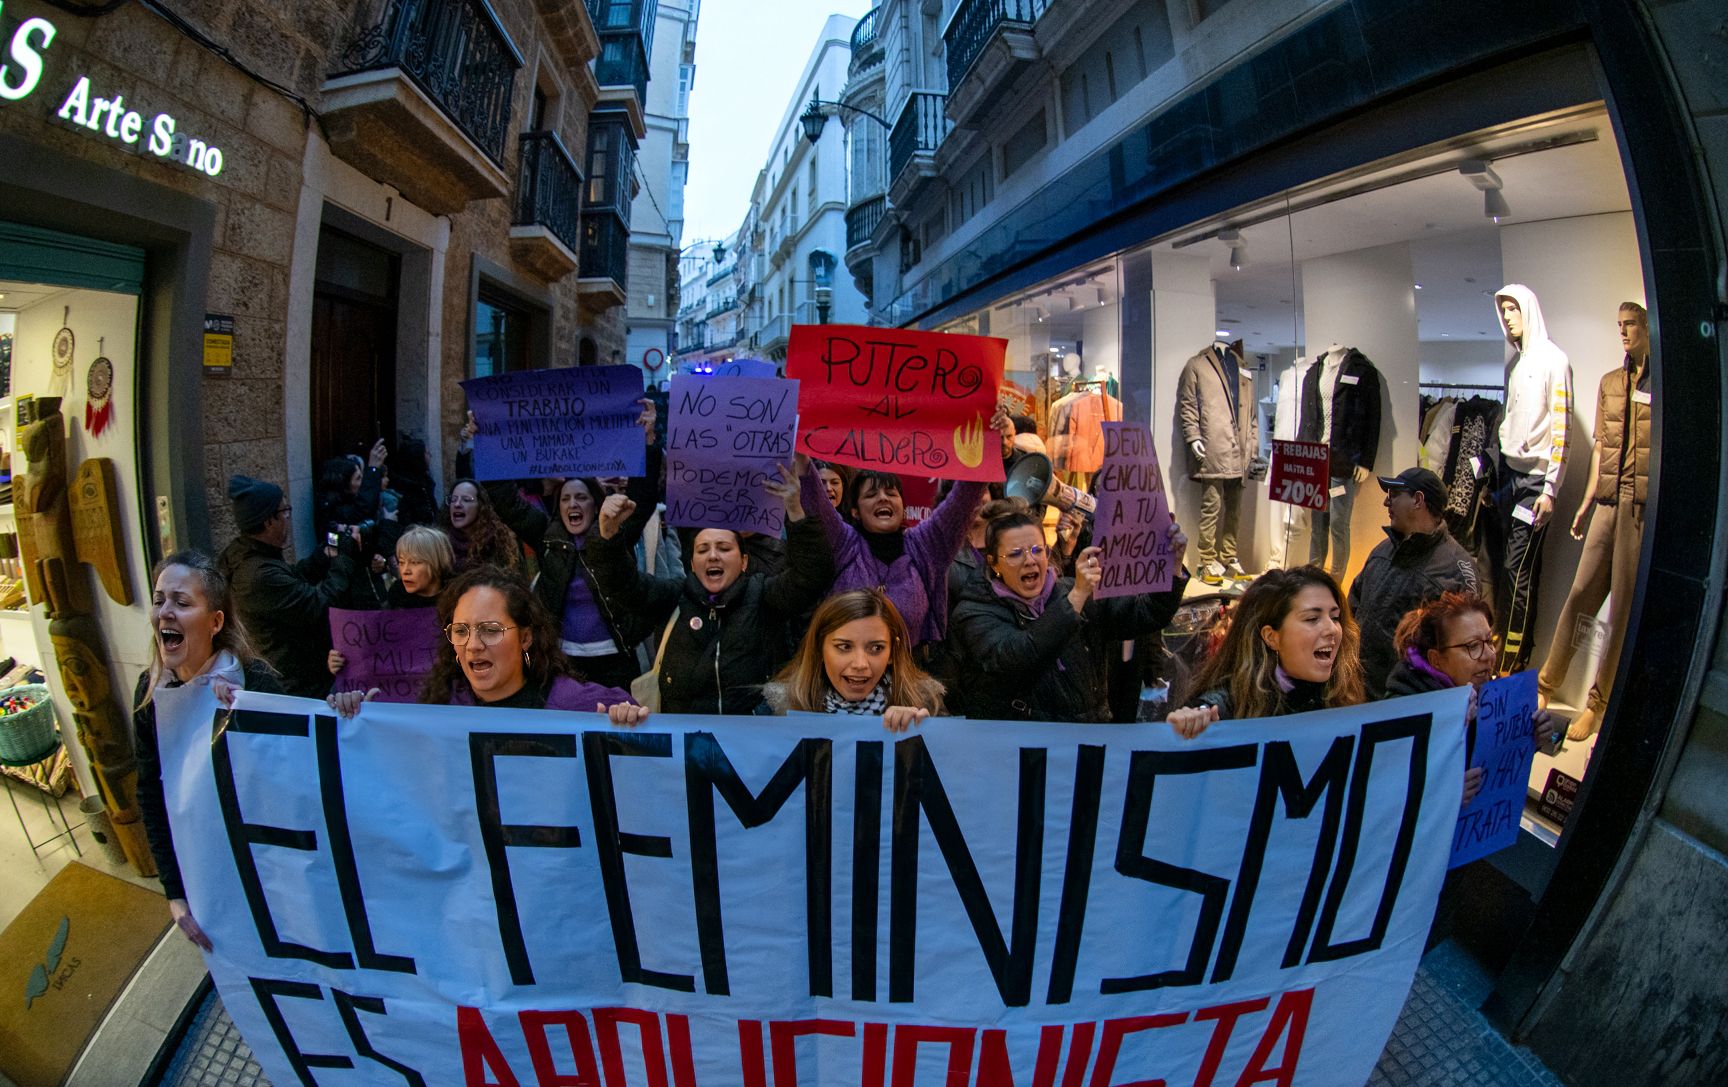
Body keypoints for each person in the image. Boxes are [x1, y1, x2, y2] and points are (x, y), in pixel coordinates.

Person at [586, 463, 833, 714]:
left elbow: (810, 575)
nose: (713, 556)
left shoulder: (763, 597)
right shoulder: (674, 598)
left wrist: (794, 508)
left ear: (744, 561)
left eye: (724, 548)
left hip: (750, 743)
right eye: (703, 550)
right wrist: (607, 535)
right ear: (693, 564)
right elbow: (623, 585)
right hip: (687, 744)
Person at [133, 551, 282, 951]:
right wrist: (175, 893)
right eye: (159, 598)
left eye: (181, 602)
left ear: (215, 621)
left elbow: (290, 779)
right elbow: (152, 794)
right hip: (207, 875)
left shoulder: (255, 682)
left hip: (265, 870)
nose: (165, 611)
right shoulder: (150, 695)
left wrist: (246, 716)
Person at [797, 408, 1011, 650]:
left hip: (910, 676)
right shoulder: (844, 543)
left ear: (902, 505)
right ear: (855, 511)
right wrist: (802, 452)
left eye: (891, 493)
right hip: (849, 676)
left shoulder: (927, 545)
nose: (883, 499)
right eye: (871, 494)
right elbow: (815, 501)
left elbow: (963, 499)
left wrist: (990, 440)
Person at [951, 510, 1189, 723]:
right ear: (993, 564)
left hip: (1084, 740)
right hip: (1021, 750)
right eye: (1015, 554)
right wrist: (1075, 599)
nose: (1030, 560)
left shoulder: (1072, 592)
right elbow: (1016, 656)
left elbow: (1146, 615)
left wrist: (1171, 569)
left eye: (1037, 550)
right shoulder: (975, 611)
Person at [486, 403, 661, 689]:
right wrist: (485, 444)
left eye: (581, 497)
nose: (573, 504)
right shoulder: (547, 537)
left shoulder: (614, 534)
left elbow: (642, 500)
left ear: (596, 503)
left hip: (615, 659)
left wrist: (648, 439)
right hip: (563, 658)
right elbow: (508, 504)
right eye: (566, 499)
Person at [1538, 301, 1650, 741]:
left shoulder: (1663, 387)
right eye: (1618, 325)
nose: (1623, 332)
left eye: (1630, 324)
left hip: (1639, 509)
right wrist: (1585, 503)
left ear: (1646, 327)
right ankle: (1546, 683)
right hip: (1606, 502)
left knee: (1621, 609)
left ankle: (1597, 704)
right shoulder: (1611, 382)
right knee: (1581, 593)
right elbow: (1602, 449)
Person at [1168, 565, 1366, 737]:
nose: (1332, 629)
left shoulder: (1339, 696)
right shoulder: (1224, 708)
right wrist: (1188, 725)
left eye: (1335, 617)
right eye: (1312, 619)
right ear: (1271, 637)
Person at [218, 475, 355, 697]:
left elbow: (293, 579)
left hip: (292, 677)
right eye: (285, 512)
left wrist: (325, 553)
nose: (288, 519)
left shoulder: (250, 555)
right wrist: (344, 558)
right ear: (268, 521)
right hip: (294, 687)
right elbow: (320, 606)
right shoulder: (257, 575)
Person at [1348, 467, 1481, 697]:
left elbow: (1465, 650)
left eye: (1394, 495)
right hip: (1359, 691)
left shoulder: (1456, 570)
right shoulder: (1382, 551)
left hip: (1404, 703)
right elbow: (1354, 604)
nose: (1386, 503)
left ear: (1418, 500)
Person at [762, 589, 945, 732]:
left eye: (876, 648)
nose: (860, 664)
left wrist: (925, 732)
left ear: (892, 652)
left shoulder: (927, 703)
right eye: (844, 647)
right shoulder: (775, 709)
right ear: (819, 649)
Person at [326, 525, 454, 679]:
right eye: (401, 562)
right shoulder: (397, 595)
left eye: (414, 562)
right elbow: (372, 647)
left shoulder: (458, 600)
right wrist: (342, 660)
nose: (405, 570)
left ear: (437, 563)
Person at [442, 478, 522, 574]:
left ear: (480, 506)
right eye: (453, 499)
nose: (457, 504)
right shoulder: (441, 544)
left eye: (466, 500)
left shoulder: (498, 541)